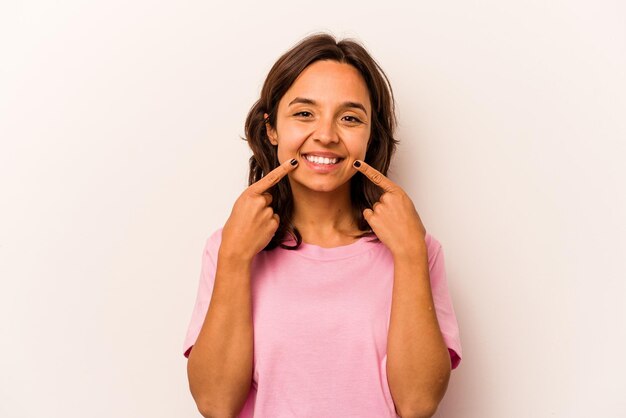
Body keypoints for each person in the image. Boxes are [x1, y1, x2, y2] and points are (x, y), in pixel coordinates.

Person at [182, 33, 462, 418]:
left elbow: (418, 404)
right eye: (304, 113)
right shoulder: (229, 246)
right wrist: (233, 258)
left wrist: (411, 254)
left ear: (371, 135)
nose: (327, 135)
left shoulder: (416, 247)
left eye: (349, 118)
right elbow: (215, 404)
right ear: (271, 129)